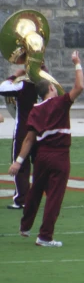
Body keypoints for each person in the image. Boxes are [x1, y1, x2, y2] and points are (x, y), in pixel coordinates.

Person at [8, 51, 84, 247]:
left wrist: (18, 162)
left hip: (41, 156)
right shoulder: (60, 103)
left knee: (35, 191)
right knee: (54, 197)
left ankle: (25, 226)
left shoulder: (35, 110)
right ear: (51, 87)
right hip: (59, 156)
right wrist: (77, 63)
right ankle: (45, 236)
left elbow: (29, 139)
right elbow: (80, 87)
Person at [1, 68, 40, 209]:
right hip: (42, 128)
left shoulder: (23, 84)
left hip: (24, 128)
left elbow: (3, 88)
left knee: (20, 164)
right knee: (40, 164)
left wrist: (15, 75)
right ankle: (37, 197)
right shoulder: (46, 82)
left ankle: (21, 199)